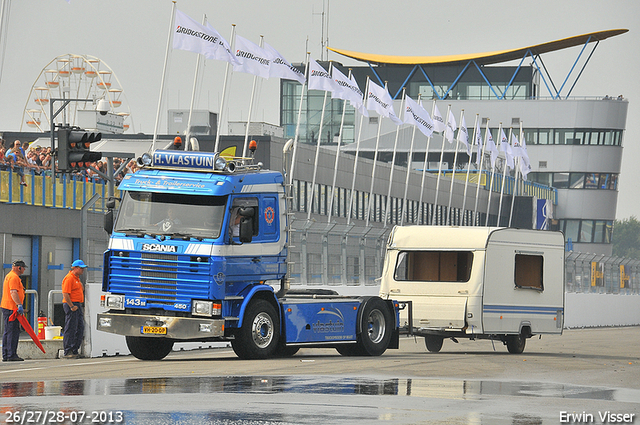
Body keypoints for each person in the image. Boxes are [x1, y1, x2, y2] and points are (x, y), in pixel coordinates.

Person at [1, 260, 27, 362]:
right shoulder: (14, 277)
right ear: (19, 268)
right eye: (23, 267)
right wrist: (19, 304)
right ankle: (11, 354)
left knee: (9, 331)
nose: (24, 269)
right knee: (12, 331)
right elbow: (13, 292)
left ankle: (7, 354)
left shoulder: (11, 276)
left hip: (9, 307)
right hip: (11, 308)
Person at [61, 259, 87, 359]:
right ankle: (68, 350)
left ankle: (75, 349)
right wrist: (71, 306)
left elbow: (81, 290)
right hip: (72, 305)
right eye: (81, 268)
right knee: (71, 328)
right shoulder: (69, 278)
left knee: (79, 327)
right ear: (75, 268)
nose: (82, 270)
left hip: (77, 304)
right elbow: (65, 294)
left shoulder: (77, 278)